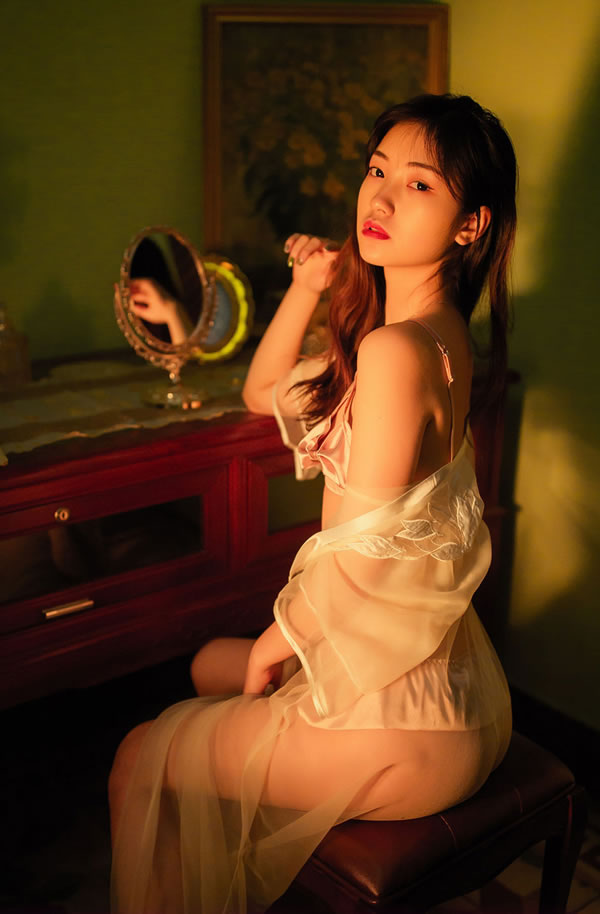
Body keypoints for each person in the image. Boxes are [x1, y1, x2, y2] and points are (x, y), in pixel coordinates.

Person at [109, 93, 517, 914]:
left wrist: (278, 642)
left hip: (406, 725)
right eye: (376, 171)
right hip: (461, 691)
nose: (381, 198)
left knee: (138, 756)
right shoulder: (431, 337)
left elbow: (360, 557)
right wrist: (308, 285)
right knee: (207, 663)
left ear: (470, 225)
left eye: (419, 185)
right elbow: (263, 391)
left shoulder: (396, 350)